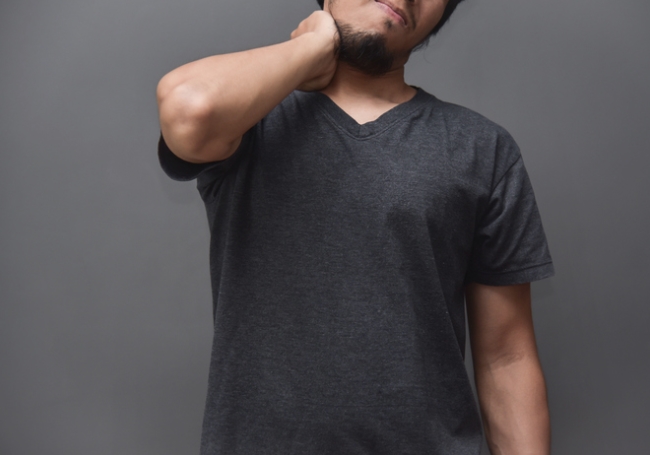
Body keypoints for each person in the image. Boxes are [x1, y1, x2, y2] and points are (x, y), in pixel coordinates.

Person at [155, 0, 555, 454]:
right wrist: (316, 44)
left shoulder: (481, 149)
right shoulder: (249, 122)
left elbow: (507, 357)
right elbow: (189, 108)